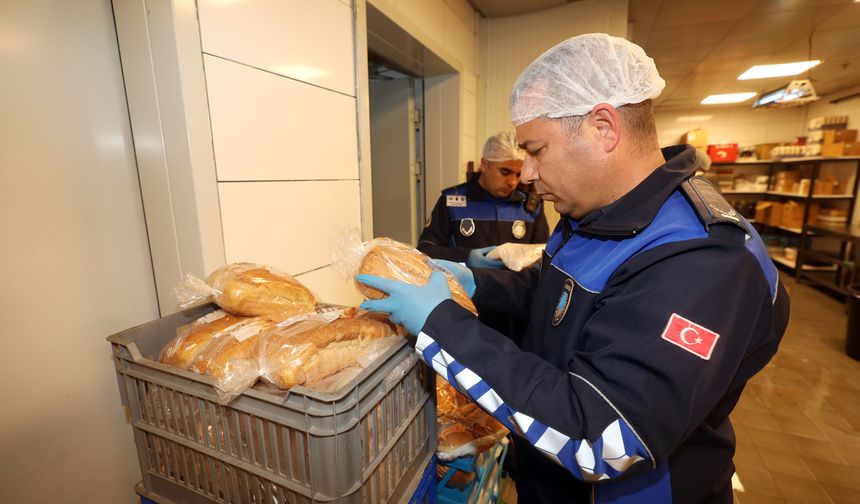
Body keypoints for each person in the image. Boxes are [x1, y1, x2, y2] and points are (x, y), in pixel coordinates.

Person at [358, 33, 789, 504]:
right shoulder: (592, 213)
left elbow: (601, 438)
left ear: (604, 128)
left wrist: (443, 324)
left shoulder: (702, 259)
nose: (525, 173)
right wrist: (475, 281)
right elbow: (555, 294)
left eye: (537, 150)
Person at [417, 131, 549, 345]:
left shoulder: (529, 208)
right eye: (505, 172)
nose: (513, 182)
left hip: (515, 316)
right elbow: (425, 250)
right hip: (467, 310)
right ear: (484, 165)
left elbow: (543, 259)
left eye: (517, 174)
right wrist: (466, 257)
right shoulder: (452, 201)